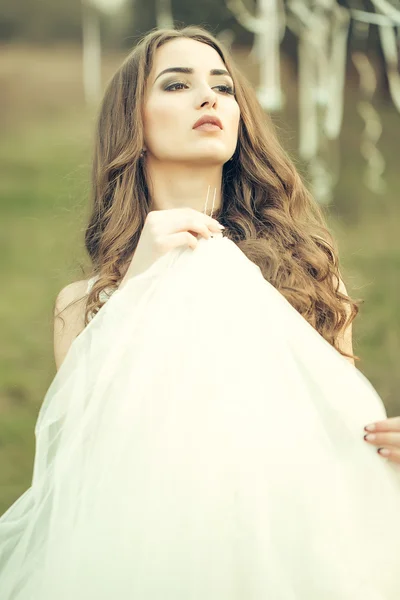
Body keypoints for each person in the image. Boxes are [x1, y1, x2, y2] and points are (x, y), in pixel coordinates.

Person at [1, 25, 400, 600]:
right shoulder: (85, 302)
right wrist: (138, 282)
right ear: (131, 122)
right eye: (176, 84)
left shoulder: (308, 276)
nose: (209, 97)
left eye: (223, 87)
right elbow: (82, 471)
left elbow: (343, 440)